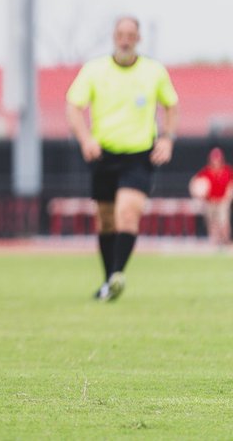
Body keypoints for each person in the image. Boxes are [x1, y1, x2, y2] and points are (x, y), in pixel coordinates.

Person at [66, 16, 178, 302]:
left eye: (131, 34)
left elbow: (171, 105)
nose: (125, 39)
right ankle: (108, 282)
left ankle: (117, 274)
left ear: (138, 38)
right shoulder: (94, 70)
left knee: (127, 213)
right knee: (105, 221)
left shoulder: (154, 71)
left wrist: (167, 138)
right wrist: (85, 138)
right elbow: (73, 105)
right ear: (114, 37)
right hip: (104, 154)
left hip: (138, 155)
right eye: (120, 34)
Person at [191, 147, 232, 247]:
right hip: (210, 202)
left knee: (223, 222)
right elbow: (194, 184)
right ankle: (215, 243)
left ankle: (226, 242)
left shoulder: (227, 171)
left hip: (223, 201)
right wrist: (198, 194)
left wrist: (229, 196)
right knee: (212, 223)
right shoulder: (205, 172)